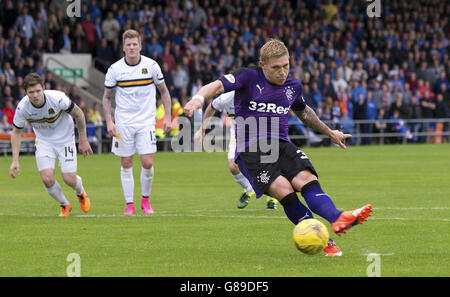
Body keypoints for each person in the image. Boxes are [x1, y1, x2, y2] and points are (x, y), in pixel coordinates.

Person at [184, 39, 373, 257]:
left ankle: (339, 218)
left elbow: (305, 113)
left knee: (308, 181)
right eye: (276, 67)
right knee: (286, 191)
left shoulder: (293, 87)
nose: (282, 72)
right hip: (251, 151)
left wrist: (330, 132)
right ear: (262, 65)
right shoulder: (248, 76)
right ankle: (325, 241)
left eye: (286, 66)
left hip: (282, 144)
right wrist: (198, 98)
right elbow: (217, 85)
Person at [102, 29, 172, 215]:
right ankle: (129, 205)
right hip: (123, 122)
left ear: (140, 46)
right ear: (123, 48)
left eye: (135, 44)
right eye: (128, 45)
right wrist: (109, 121)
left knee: (147, 162)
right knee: (126, 162)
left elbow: (164, 91)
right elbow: (106, 97)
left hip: (146, 121)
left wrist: (167, 117)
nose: (132, 47)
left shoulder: (151, 66)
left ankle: (145, 200)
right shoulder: (115, 70)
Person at [9, 73, 93, 217]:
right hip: (44, 141)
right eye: (31, 92)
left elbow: (79, 114)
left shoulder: (57, 99)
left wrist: (83, 140)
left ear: (43, 88)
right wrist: (15, 160)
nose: (35, 95)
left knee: (69, 179)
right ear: (26, 93)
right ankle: (65, 205)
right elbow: (16, 132)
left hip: (65, 139)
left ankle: (81, 192)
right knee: (47, 179)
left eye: (38, 91)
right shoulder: (23, 108)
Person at [194, 91, 278, 210]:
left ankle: (272, 196)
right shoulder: (226, 98)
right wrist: (202, 129)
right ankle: (249, 188)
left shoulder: (259, 94)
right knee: (233, 165)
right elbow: (211, 107)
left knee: (263, 164)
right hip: (238, 133)